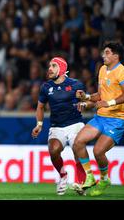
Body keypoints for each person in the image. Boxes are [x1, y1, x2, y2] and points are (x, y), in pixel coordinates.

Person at [74, 41, 124, 196]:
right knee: (78, 142)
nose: (103, 55)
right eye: (103, 52)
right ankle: (89, 177)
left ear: (116, 55)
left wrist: (109, 103)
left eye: (107, 52)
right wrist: (86, 97)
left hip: (116, 120)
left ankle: (104, 179)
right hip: (100, 117)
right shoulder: (102, 69)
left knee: (98, 151)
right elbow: (100, 96)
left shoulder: (122, 72)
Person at [31, 57, 87, 195]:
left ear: (62, 69)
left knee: (77, 149)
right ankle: (63, 175)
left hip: (75, 124)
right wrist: (39, 124)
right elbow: (40, 107)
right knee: (53, 150)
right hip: (57, 126)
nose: (50, 68)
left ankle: (82, 183)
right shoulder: (46, 87)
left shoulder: (75, 84)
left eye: (54, 66)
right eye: (49, 65)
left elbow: (86, 100)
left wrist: (84, 103)